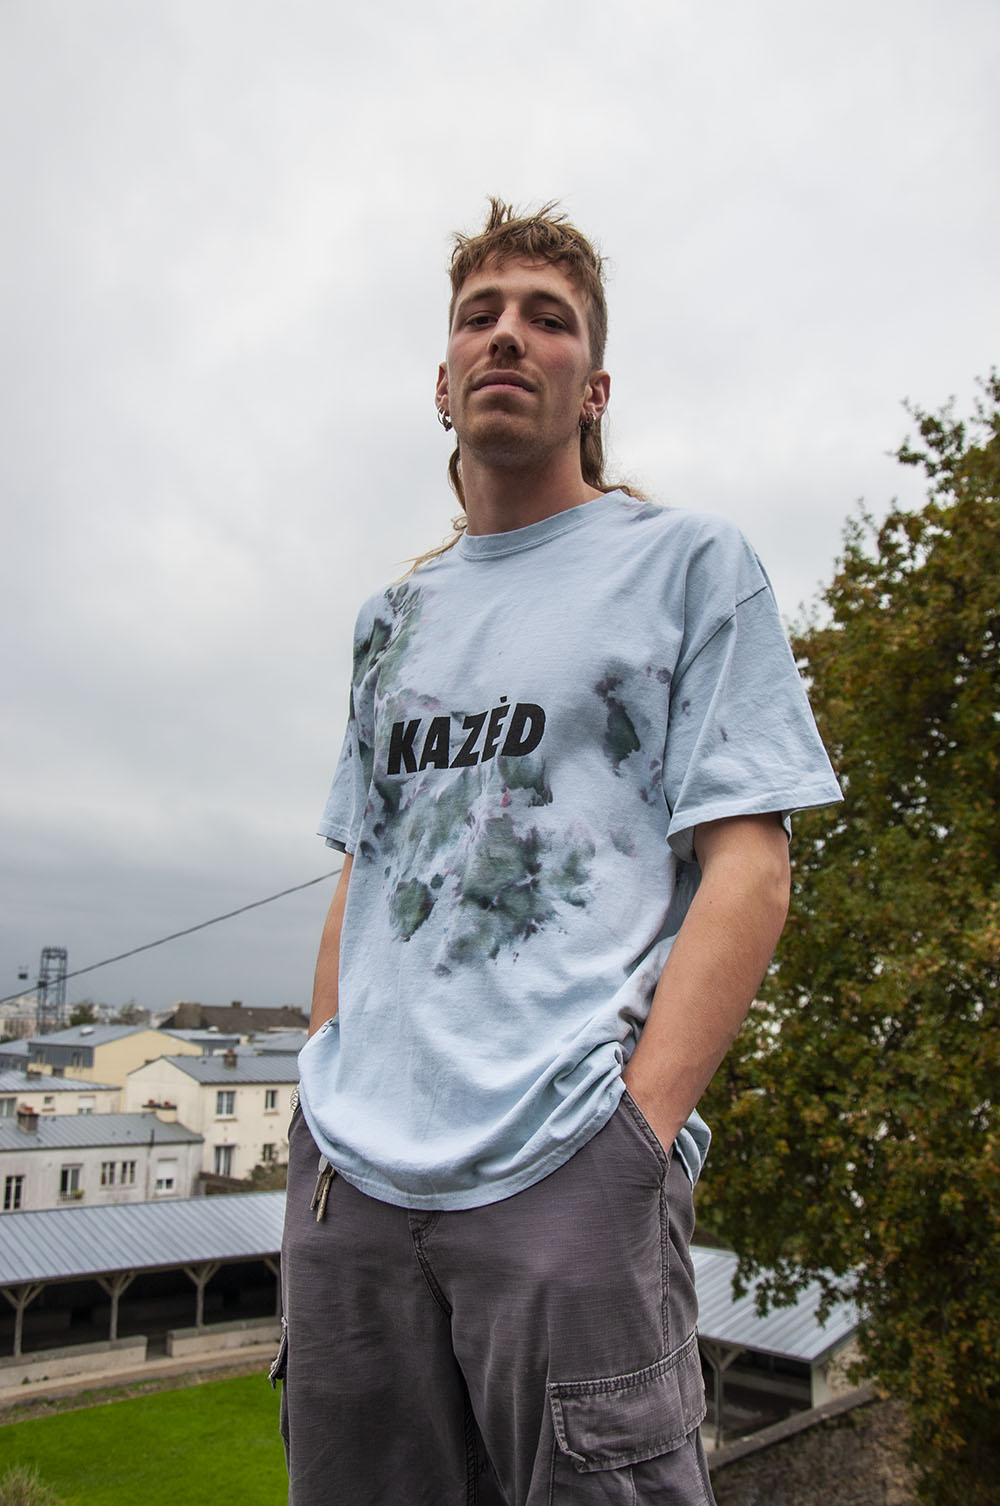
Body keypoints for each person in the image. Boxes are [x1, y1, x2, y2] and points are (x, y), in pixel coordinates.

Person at [275, 200, 842, 1506]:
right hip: (351, 1190)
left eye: (548, 319)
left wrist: (635, 1139)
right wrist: (319, 1093)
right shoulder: (389, 620)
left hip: (567, 1165)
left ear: (594, 388)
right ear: (442, 380)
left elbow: (750, 867)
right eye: (479, 316)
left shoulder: (689, 565)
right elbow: (367, 868)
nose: (508, 337)